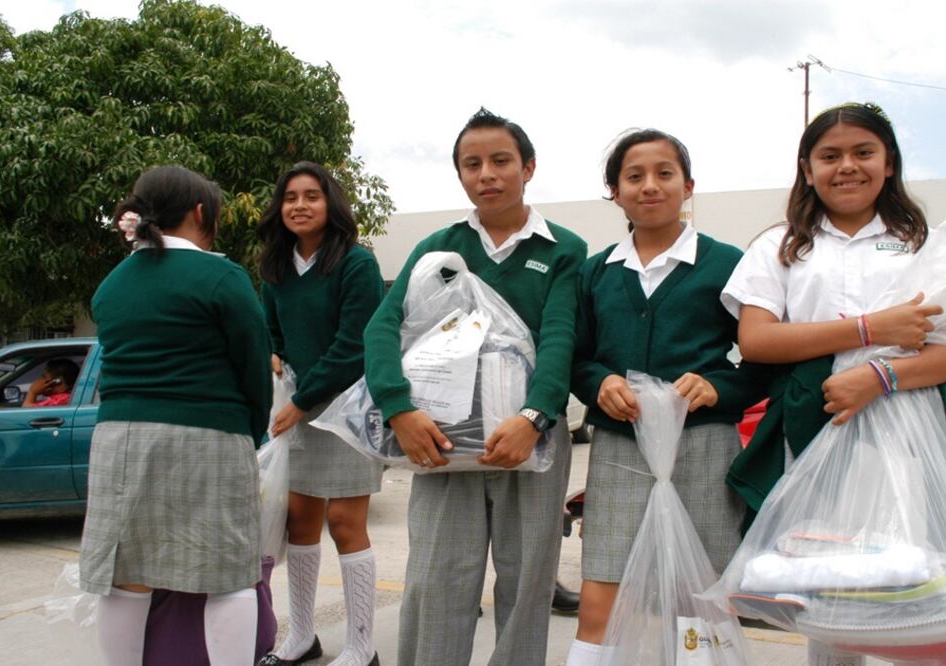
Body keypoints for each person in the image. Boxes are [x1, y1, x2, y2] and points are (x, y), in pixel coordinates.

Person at [720, 102, 946, 666]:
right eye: (829, 155)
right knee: (824, 579)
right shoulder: (781, 245)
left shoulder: (923, 243)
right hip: (814, 422)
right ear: (806, 168)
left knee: (909, 573)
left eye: (864, 152)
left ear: (889, 162)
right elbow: (758, 341)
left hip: (907, 425)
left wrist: (881, 375)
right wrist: (870, 329)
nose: (847, 167)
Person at [363, 108, 587, 665]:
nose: (486, 173)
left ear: (528, 167)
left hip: (527, 443)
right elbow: (385, 326)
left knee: (526, 584)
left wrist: (535, 418)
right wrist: (399, 410)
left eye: (500, 161)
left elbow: (562, 337)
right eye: (472, 163)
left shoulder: (562, 249)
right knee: (437, 581)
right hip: (443, 442)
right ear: (461, 174)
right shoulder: (438, 247)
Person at [564, 129, 769, 665]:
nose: (649, 186)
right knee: (600, 595)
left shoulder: (727, 264)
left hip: (704, 450)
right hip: (621, 453)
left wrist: (718, 386)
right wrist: (598, 382)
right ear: (615, 191)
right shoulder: (596, 272)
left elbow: (763, 361)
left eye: (664, 174)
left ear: (689, 186)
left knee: (698, 602)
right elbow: (577, 356)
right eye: (634, 176)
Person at [78, 165, 272, 666]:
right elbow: (254, 365)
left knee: (126, 578)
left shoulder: (112, 285)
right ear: (200, 212)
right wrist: (251, 430)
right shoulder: (221, 276)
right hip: (209, 435)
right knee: (227, 578)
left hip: (119, 440)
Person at [255, 162, 385, 666]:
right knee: (300, 522)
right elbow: (271, 333)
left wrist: (303, 401)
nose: (300, 205)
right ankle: (303, 637)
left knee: (347, 523)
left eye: (312, 195)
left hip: (347, 411)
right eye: (290, 197)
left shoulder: (355, 263)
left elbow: (355, 346)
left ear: (331, 203)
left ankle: (360, 646)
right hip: (298, 407)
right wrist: (273, 357)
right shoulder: (276, 270)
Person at [0, 357, 79, 408]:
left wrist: (33, 392)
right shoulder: (59, 398)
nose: (38, 381)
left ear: (57, 381)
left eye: (44, 377)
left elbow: (25, 415)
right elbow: (17, 414)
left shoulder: (62, 400)